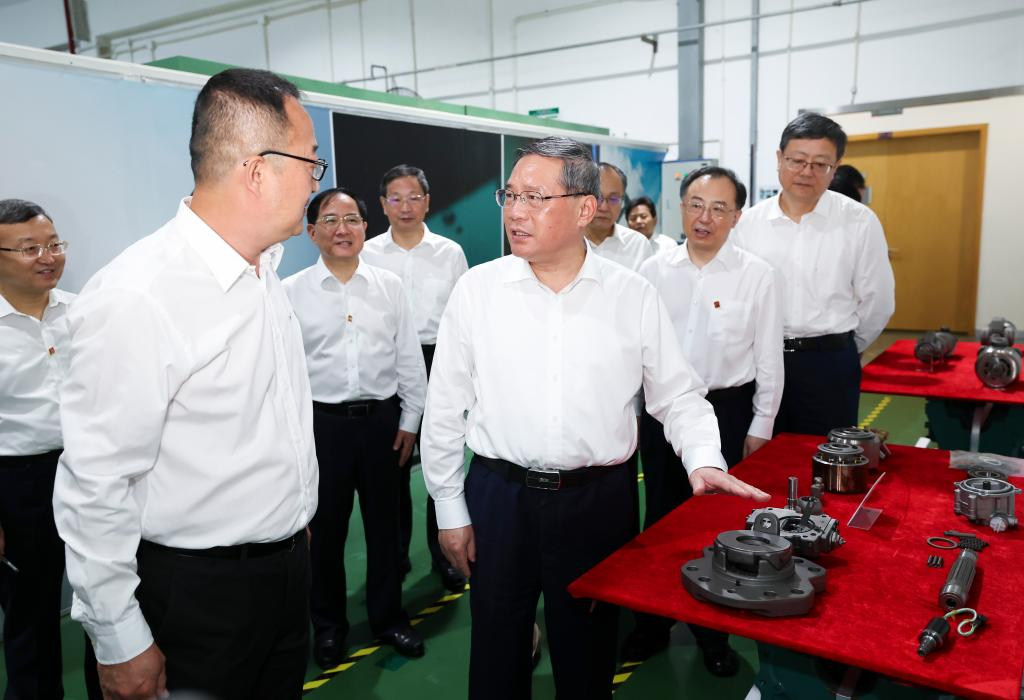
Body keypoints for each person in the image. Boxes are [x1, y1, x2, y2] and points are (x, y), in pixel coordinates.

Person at [421, 136, 770, 700]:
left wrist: (702, 458)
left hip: (597, 504)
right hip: (498, 499)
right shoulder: (477, 292)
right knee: (496, 653)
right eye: (510, 195)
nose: (514, 210)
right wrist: (449, 507)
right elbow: (443, 411)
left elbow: (678, 395)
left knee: (587, 658)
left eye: (535, 197)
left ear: (585, 208)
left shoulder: (631, 295)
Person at [52, 68, 324, 700]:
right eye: (312, 161)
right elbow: (95, 484)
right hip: (194, 597)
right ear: (257, 170)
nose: (318, 179)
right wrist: (119, 638)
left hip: (282, 575)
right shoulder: (139, 297)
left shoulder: (265, 273)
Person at [624, 166, 784, 673]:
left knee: (718, 527)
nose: (704, 217)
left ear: (737, 216)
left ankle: (712, 634)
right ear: (681, 206)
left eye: (718, 208)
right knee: (662, 523)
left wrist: (762, 424)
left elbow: (769, 359)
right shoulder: (653, 270)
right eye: (695, 204)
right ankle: (652, 621)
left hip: (728, 412)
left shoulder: (758, 275)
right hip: (661, 413)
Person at [284, 186, 428, 667]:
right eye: (329, 220)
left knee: (387, 530)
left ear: (367, 228)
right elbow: (286, 373)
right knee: (324, 535)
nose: (342, 229)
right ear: (311, 232)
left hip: (383, 425)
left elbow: (409, 358)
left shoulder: (389, 287)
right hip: (322, 428)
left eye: (351, 220)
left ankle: (389, 618)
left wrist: (410, 420)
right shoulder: (289, 294)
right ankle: (328, 627)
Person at [733, 113, 894, 435]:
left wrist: (843, 345)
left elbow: (878, 301)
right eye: (797, 160)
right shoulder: (748, 224)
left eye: (821, 164)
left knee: (828, 459)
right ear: (779, 158)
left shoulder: (859, 222)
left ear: (836, 166)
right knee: (760, 460)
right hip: (762, 361)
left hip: (830, 364)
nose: (807, 172)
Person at [361, 164, 469, 593]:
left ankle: (443, 555)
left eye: (413, 197)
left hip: (439, 359)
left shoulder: (450, 253)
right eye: (394, 198)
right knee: (394, 465)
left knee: (442, 461)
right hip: (389, 363)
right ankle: (397, 554)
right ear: (383, 204)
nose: (405, 207)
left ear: (427, 201)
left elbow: (462, 319)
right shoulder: (367, 252)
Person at [0, 198, 72, 699]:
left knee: (110, 605)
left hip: (90, 471)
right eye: (29, 249)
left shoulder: (83, 311)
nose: (47, 256)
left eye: (53, 244)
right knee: (31, 618)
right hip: (19, 486)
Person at [583, 162, 651, 271]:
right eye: (597, 197)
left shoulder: (638, 245)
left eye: (613, 199)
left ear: (622, 201)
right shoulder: (564, 242)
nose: (604, 207)